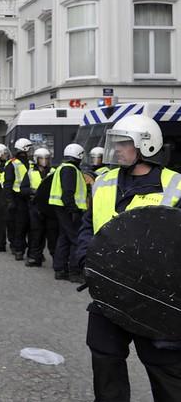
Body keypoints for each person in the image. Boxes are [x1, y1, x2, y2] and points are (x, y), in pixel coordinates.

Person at [76, 114, 181, 401]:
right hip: (108, 290)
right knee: (106, 363)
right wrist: (86, 259)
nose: (117, 150)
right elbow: (88, 225)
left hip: (157, 299)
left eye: (124, 144)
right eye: (116, 144)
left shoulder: (176, 185)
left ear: (146, 147)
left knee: (167, 374)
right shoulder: (104, 181)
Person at [48, 143, 87, 283]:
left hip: (62, 208)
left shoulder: (63, 168)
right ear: (79, 155)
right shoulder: (70, 169)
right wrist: (73, 210)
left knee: (64, 238)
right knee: (75, 239)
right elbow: (68, 193)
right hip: (68, 209)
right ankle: (74, 272)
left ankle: (60, 269)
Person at [24, 147, 56, 267]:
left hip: (50, 207)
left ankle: (58, 261)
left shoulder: (54, 171)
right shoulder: (31, 172)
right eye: (41, 158)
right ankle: (34, 257)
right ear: (36, 159)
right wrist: (32, 191)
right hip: (36, 207)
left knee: (53, 235)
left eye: (46, 158)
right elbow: (23, 189)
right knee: (36, 234)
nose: (44, 161)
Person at [4, 138, 34, 260]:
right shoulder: (12, 164)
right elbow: (8, 184)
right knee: (19, 226)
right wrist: (10, 200)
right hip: (18, 198)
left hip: (30, 197)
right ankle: (18, 249)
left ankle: (32, 251)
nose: (32, 151)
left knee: (31, 226)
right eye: (30, 148)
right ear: (24, 149)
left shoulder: (32, 163)